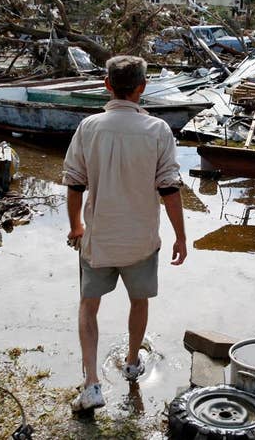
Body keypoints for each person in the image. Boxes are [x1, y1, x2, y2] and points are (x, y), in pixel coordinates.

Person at [63, 55, 187, 413]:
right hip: (141, 241)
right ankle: (133, 363)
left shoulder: (88, 127)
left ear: (107, 85)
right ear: (141, 89)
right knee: (139, 301)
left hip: (98, 240)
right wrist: (180, 236)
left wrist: (76, 227)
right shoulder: (158, 130)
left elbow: (74, 185)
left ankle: (92, 385)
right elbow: (170, 189)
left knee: (89, 307)